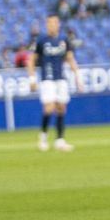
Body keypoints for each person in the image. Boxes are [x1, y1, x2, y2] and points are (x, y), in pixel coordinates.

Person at [27, 14, 84, 152]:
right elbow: (31, 60)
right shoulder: (41, 41)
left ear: (58, 24)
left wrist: (78, 76)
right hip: (47, 79)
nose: (52, 25)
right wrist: (32, 79)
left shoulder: (64, 40)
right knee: (49, 107)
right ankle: (43, 137)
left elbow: (70, 58)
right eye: (49, 23)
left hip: (61, 78)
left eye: (54, 23)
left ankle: (60, 140)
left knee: (61, 108)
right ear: (47, 25)